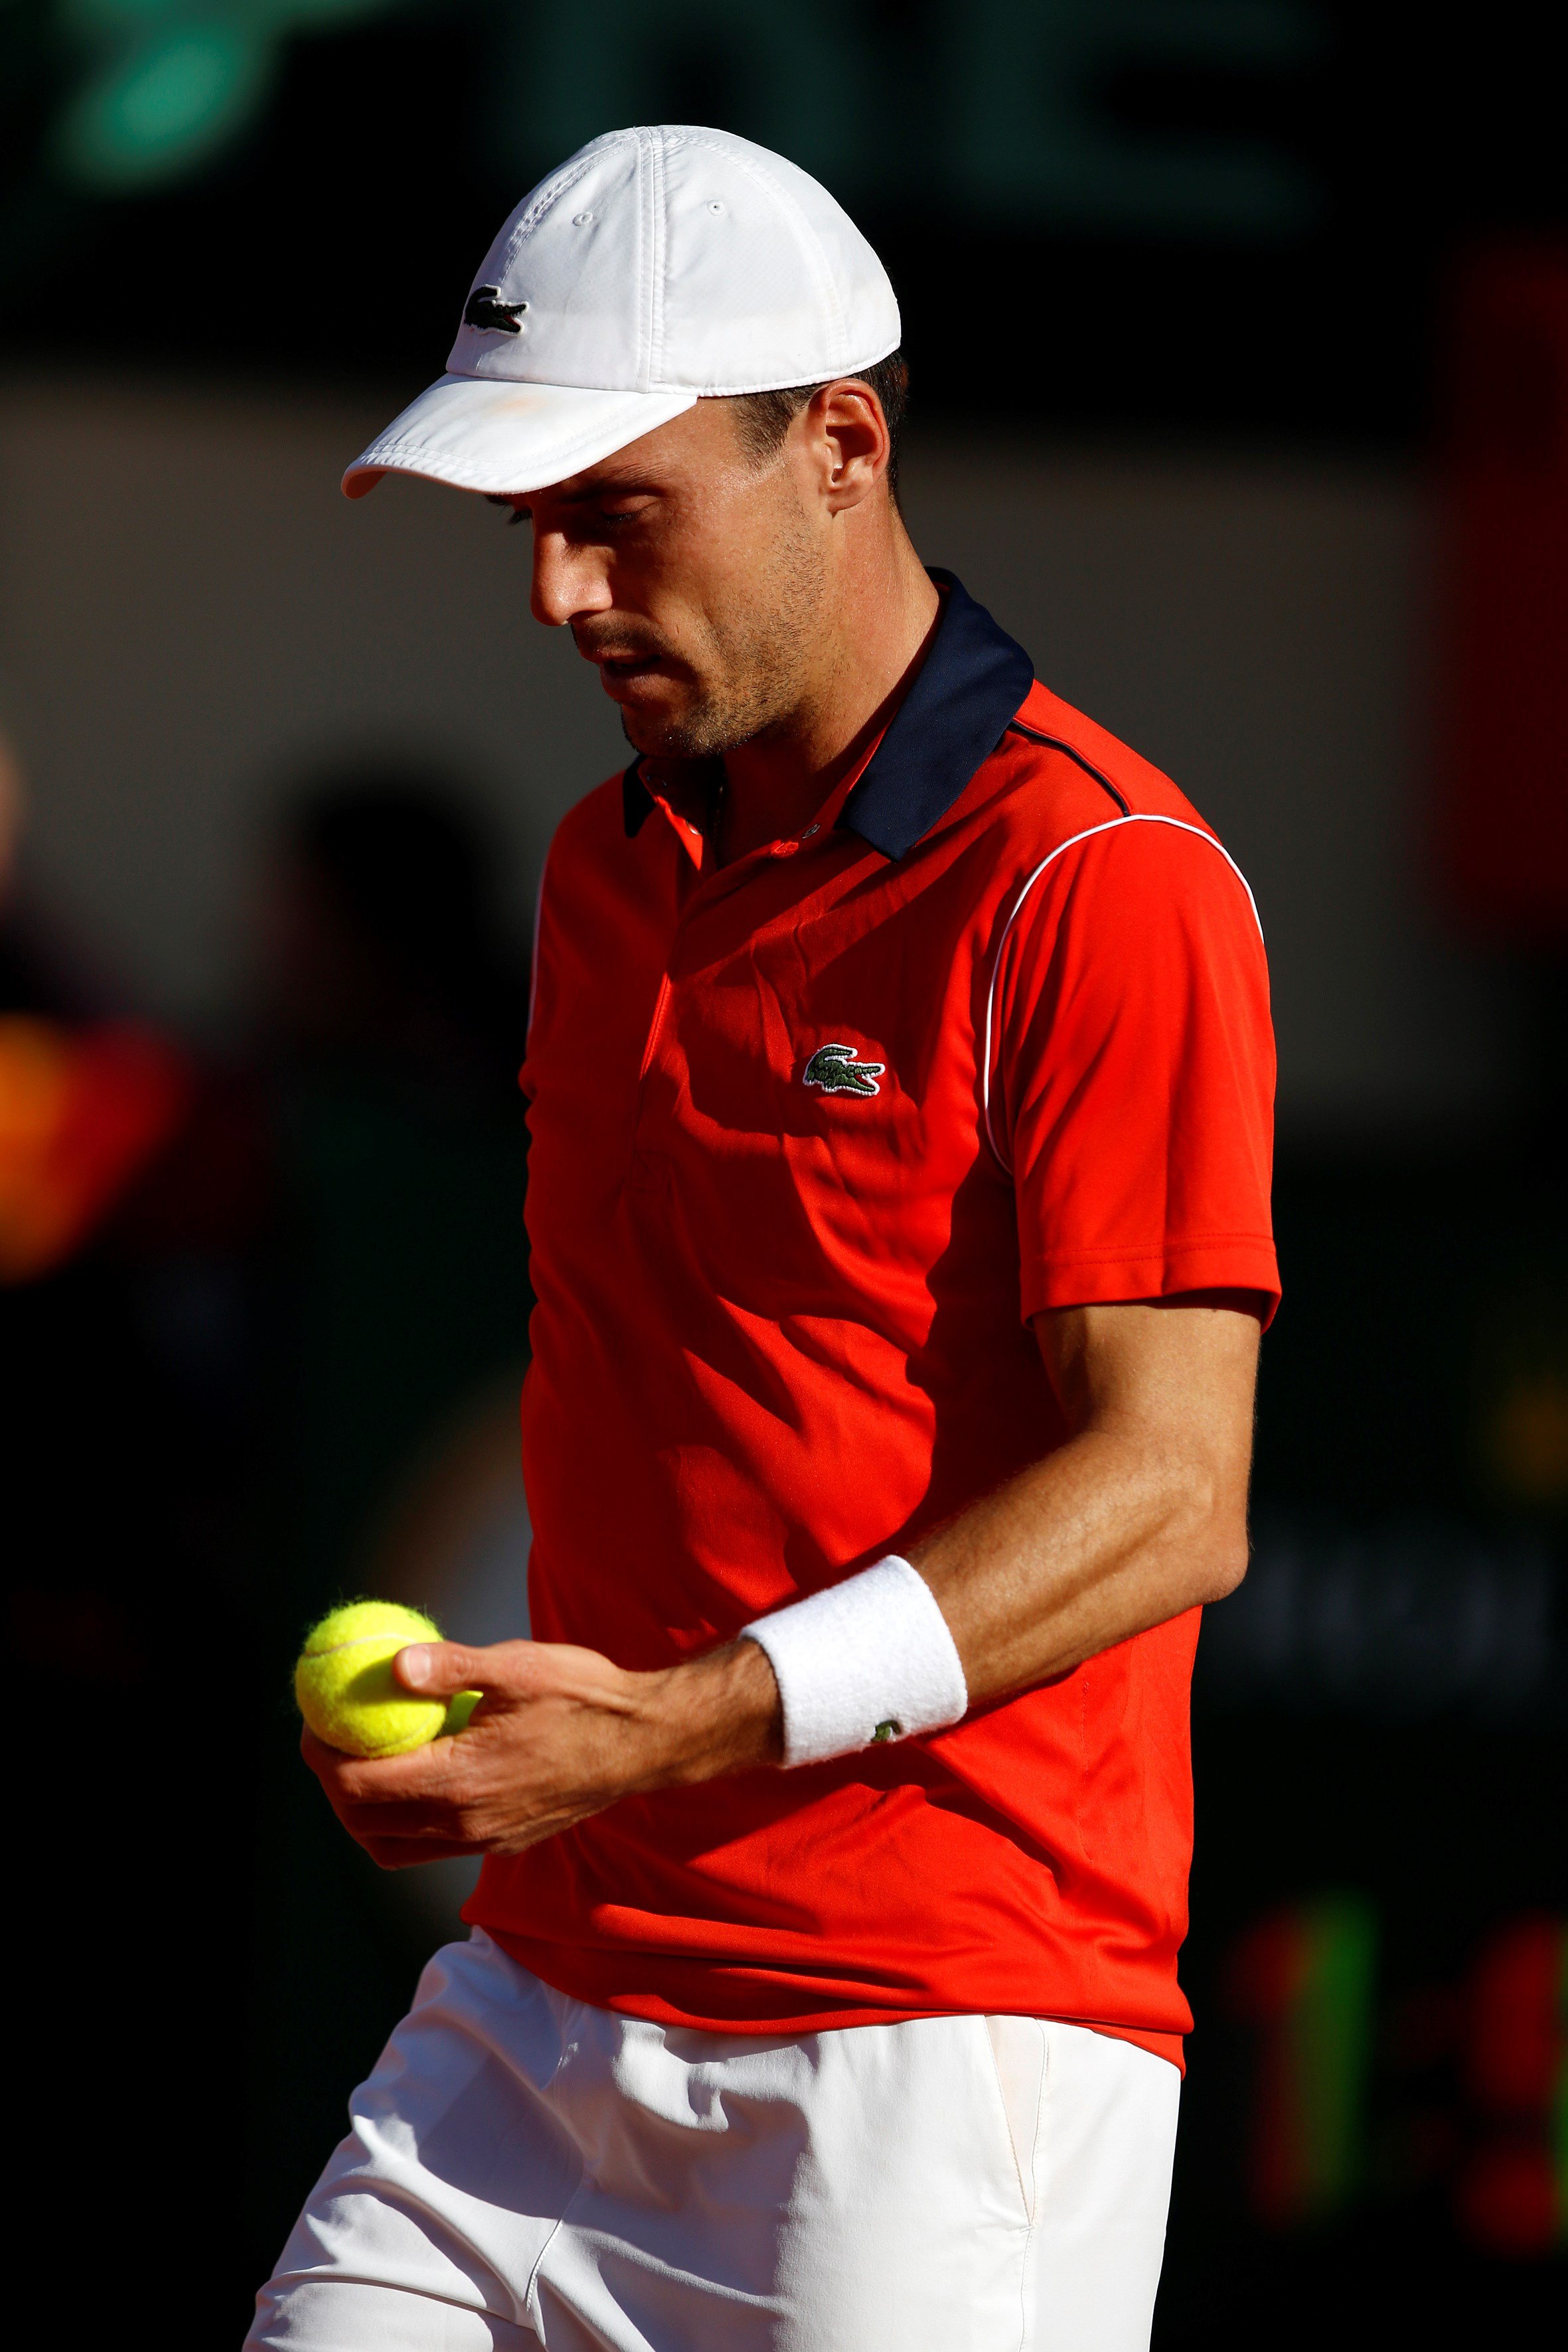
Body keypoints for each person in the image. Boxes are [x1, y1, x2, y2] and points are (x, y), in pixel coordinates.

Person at [249, 126, 1277, 2352]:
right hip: (538, 2003)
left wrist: (671, 1729)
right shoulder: (591, 872)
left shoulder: (1103, 881)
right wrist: (554, 1756)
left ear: (839, 447)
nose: (557, 594)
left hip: (945, 2056)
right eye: (533, 524)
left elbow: (1174, 1496)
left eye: (618, 513)